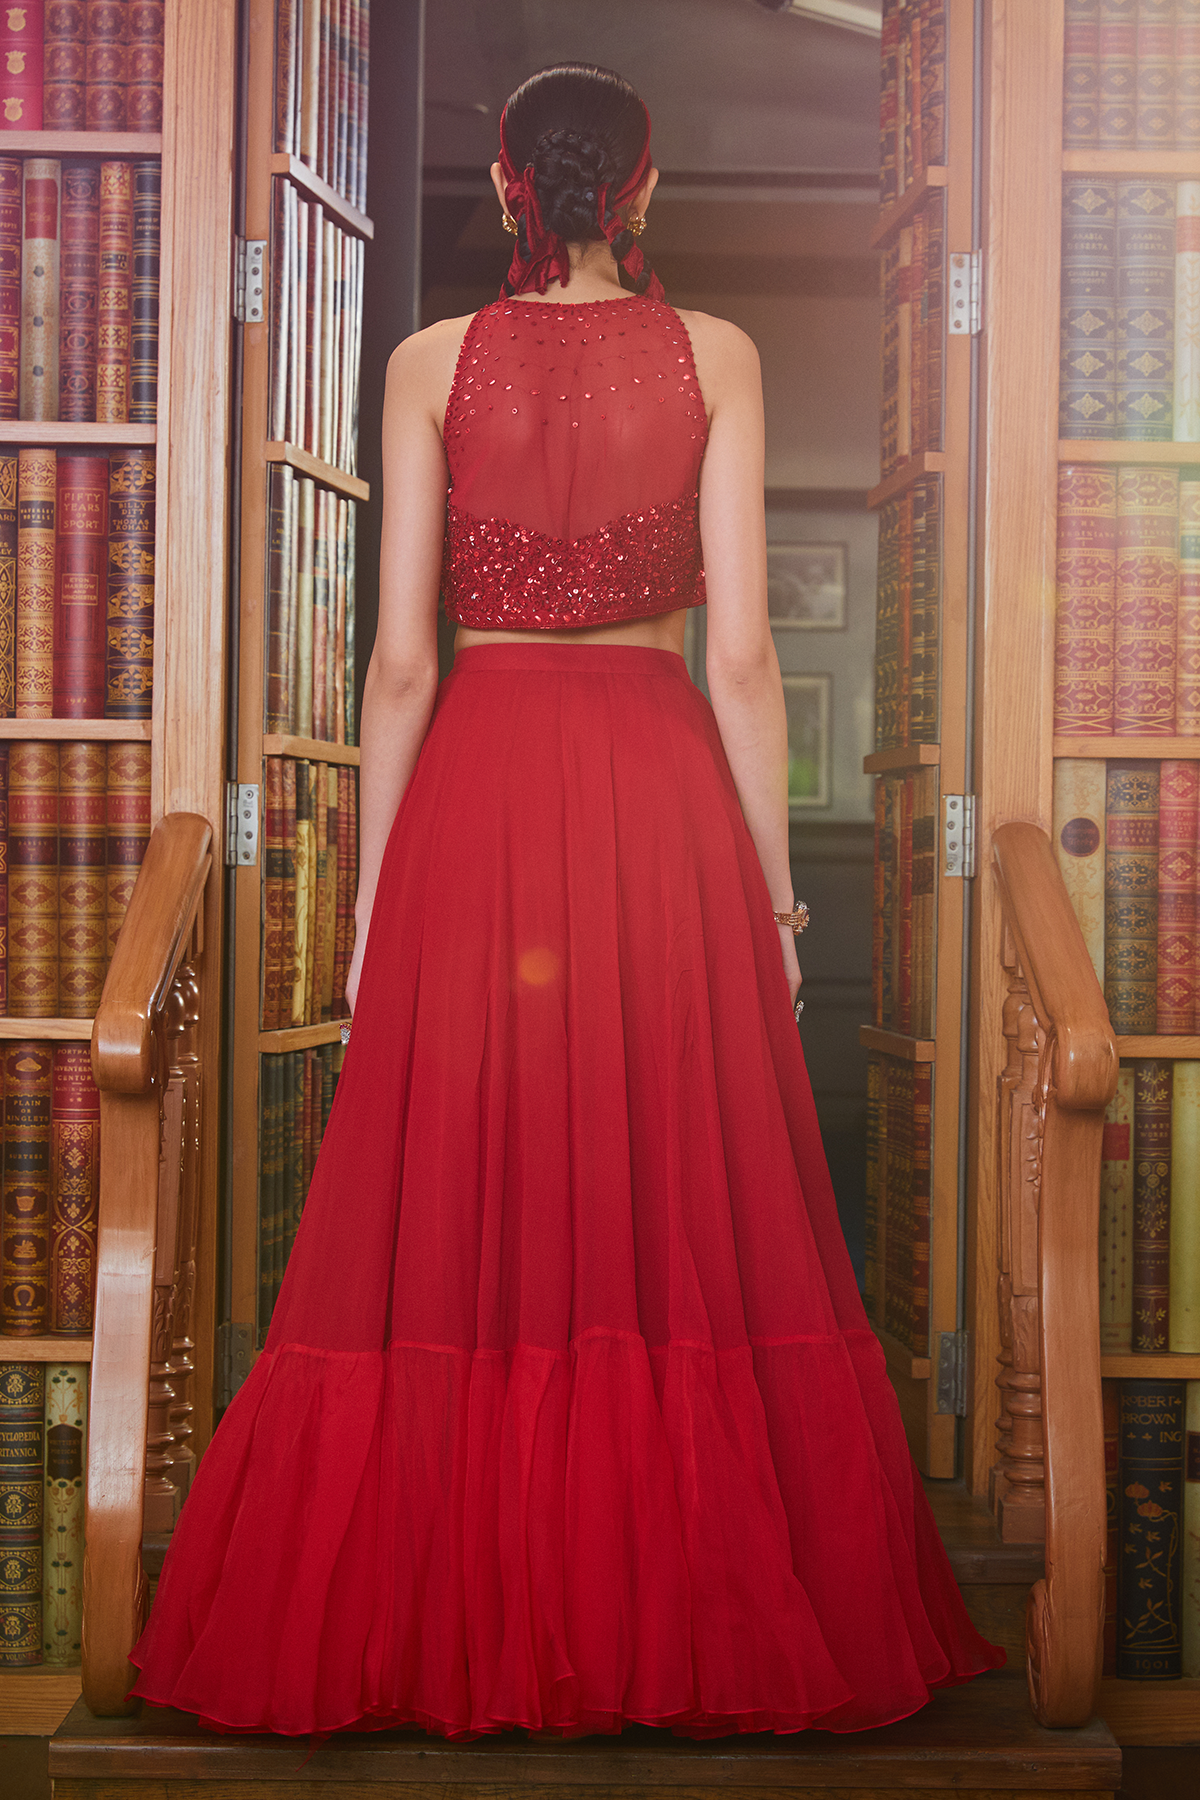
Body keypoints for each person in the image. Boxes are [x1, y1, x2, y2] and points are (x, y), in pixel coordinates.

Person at [127, 62, 1003, 1740]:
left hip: (475, 797)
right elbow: (743, 656)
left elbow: (395, 663)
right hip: (664, 798)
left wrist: (375, 908)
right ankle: (670, 1610)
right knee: (673, 1189)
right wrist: (776, 902)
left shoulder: (424, 364)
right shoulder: (722, 359)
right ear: (641, 196)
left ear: (516, 195)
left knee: (470, 1194)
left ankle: (460, 1608)